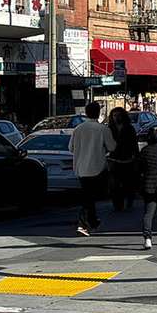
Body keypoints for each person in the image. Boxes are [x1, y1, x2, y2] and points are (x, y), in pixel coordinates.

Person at [68, 101, 112, 237]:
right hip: (97, 167)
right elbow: (112, 147)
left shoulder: (78, 129)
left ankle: (92, 221)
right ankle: (83, 224)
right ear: (98, 113)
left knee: (89, 196)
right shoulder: (103, 129)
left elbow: (70, 148)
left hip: (81, 167)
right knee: (90, 197)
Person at [107, 107, 141, 213]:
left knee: (128, 183)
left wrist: (136, 157)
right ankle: (118, 204)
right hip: (114, 160)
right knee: (114, 185)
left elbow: (134, 144)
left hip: (127, 160)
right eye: (114, 115)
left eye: (118, 115)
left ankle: (129, 200)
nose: (116, 117)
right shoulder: (109, 129)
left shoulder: (129, 128)